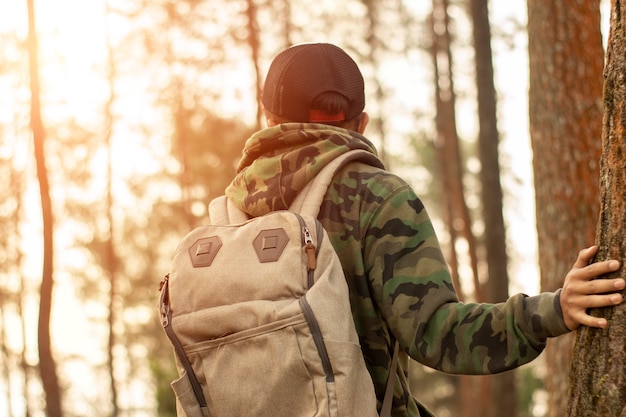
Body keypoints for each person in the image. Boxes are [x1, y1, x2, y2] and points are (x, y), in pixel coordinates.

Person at [223, 42, 624, 416]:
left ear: (268, 121)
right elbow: (437, 334)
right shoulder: (377, 197)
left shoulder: (230, 212)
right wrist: (552, 311)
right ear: (361, 123)